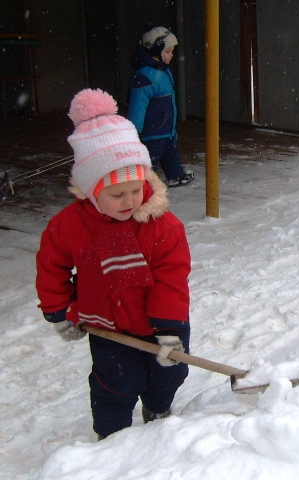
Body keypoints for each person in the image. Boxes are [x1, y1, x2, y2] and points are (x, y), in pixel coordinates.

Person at [36, 88, 192, 440]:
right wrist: (59, 310)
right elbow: (51, 266)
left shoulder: (161, 224)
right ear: (92, 190)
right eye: (116, 194)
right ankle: (111, 440)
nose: (128, 201)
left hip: (160, 323)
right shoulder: (69, 227)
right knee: (115, 386)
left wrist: (168, 327)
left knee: (168, 374)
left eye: (135, 189)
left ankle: (158, 409)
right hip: (107, 324)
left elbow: (172, 277)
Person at [127, 23, 194, 188]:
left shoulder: (162, 70)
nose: (171, 55)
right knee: (151, 158)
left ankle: (175, 174)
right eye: (168, 51)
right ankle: (143, 184)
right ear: (156, 52)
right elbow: (137, 107)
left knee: (170, 152)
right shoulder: (145, 77)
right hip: (152, 131)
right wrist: (133, 132)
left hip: (165, 128)